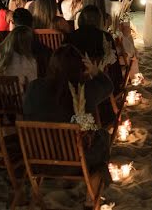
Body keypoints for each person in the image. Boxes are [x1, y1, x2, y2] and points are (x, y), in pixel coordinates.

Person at [23, 45, 112, 206]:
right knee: (103, 136)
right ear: (81, 67)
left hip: (38, 159)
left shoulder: (34, 87)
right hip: (75, 163)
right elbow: (108, 87)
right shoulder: (85, 90)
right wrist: (94, 71)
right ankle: (89, 198)